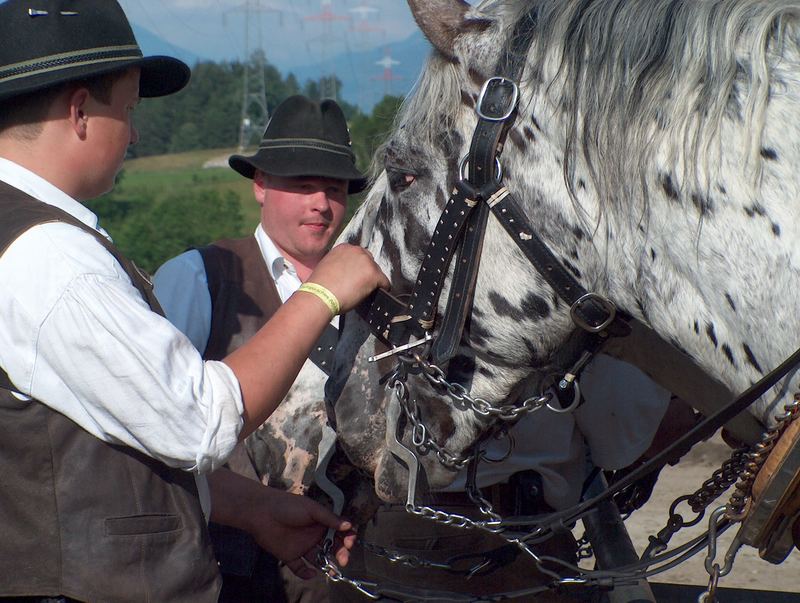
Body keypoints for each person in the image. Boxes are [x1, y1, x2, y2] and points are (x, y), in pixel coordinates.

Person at [0, 2, 388, 602]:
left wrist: (254, 508)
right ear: (79, 111)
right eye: (126, 111)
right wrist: (321, 294)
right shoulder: (49, 257)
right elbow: (199, 421)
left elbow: (124, 441)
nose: (133, 133)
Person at [153, 94, 365, 602]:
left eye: (334, 188)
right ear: (261, 186)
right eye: (302, 185)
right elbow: (156, 427)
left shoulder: (377, 292)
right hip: (227, 569)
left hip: (350, 572)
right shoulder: (199, 277)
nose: (321, 203)